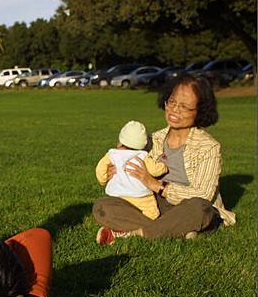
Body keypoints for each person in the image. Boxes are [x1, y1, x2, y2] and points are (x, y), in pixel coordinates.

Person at [94, 74, 236, 245]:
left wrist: (155, 185)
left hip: (188, 206)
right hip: (154, 204)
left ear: (200, 111)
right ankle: (175, 230)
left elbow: (203, 195)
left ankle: (135, 232)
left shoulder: (209, 147)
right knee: (102, 206)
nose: (175, 110)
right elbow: (127, 158)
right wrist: (114, 170)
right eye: (172, 102)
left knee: (201, 209)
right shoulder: (153, 139)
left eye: (184, 107)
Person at [95, 120, 168, 221]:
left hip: (117, 194)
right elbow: (154, 170)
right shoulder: (142, 156)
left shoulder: (113, 154)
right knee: (152, 213)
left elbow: (100, 168)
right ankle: (146, 225)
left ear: (120, 142)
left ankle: (124, 223)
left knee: (112, 208)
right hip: (140, 195)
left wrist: (103, 179)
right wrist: (164, 167)